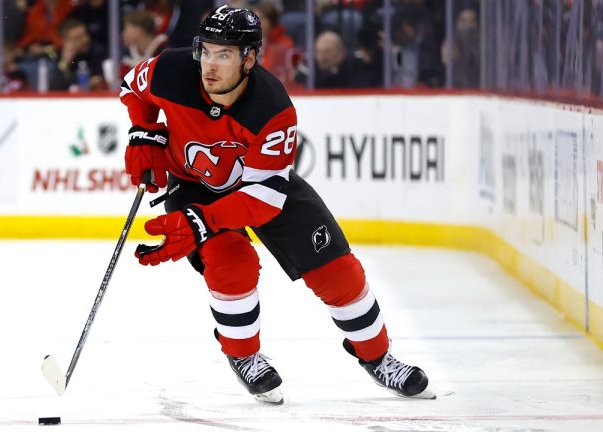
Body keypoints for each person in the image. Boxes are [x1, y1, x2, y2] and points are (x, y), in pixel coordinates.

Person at [119, 4, 434, 404]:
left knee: (338, 272)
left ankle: (378, 358)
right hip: (192, 184)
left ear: (249, 59)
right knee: (232, 263)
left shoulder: (272, 108)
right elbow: (132, 87)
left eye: (225, 54)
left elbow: (264, 199)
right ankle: (243, 355)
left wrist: (204, 221)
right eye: (207, 51)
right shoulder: (171, 69)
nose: (209, 65)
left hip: (260, 188)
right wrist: (143, 132)